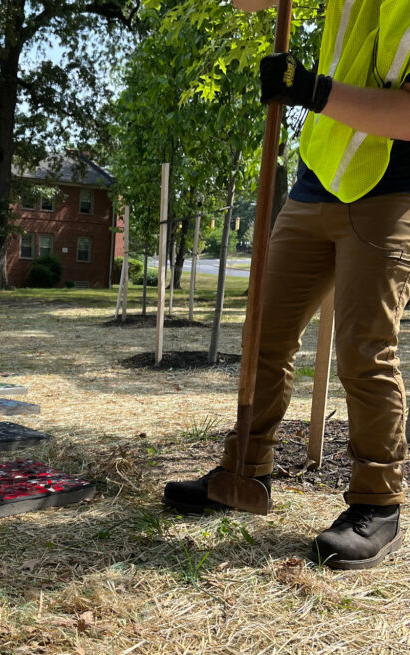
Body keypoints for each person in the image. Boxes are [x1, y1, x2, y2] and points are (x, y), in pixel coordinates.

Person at [164, 0, 410, 571]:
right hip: (315, 184)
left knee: (363, 351)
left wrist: (313, 91)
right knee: (263, 338)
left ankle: (378, 502)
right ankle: (246, 470)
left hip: (392, 189)